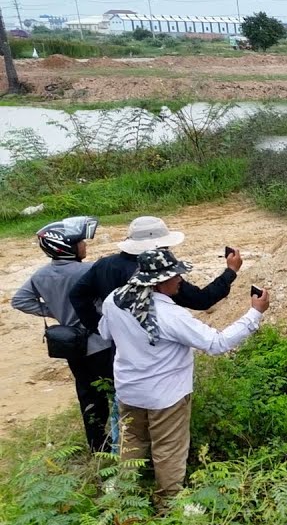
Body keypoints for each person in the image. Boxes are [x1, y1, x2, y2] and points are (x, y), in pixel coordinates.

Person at [98, 249, 269, 509]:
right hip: (165, 396)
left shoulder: (114, 300)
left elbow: (104, 333)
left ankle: (124, 493)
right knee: (168, 448)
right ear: (158, 282)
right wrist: (254, 314)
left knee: (132, 439)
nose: (180, 278)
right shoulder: (170, 315)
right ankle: (169, 503)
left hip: (129, 389)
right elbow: (217, 343)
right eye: (174, 275)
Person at [10, 217, 114, 452]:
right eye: (80, 242)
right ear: (66, 247)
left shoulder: (40, 275)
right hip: (100, 342)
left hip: (72, 346)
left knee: (88, 396)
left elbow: (20, 301)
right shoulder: (90, 270)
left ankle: (98, 448)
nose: (84, 245)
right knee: (118, 393)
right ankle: (123, 443)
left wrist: (54, 310)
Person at [70, 216, 243, 336]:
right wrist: (230, 272)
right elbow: (201, 300)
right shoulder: (158, 275)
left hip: (119, 348)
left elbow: (76, 295)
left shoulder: (104, 264)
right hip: (153, 346)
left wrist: (100, 328)